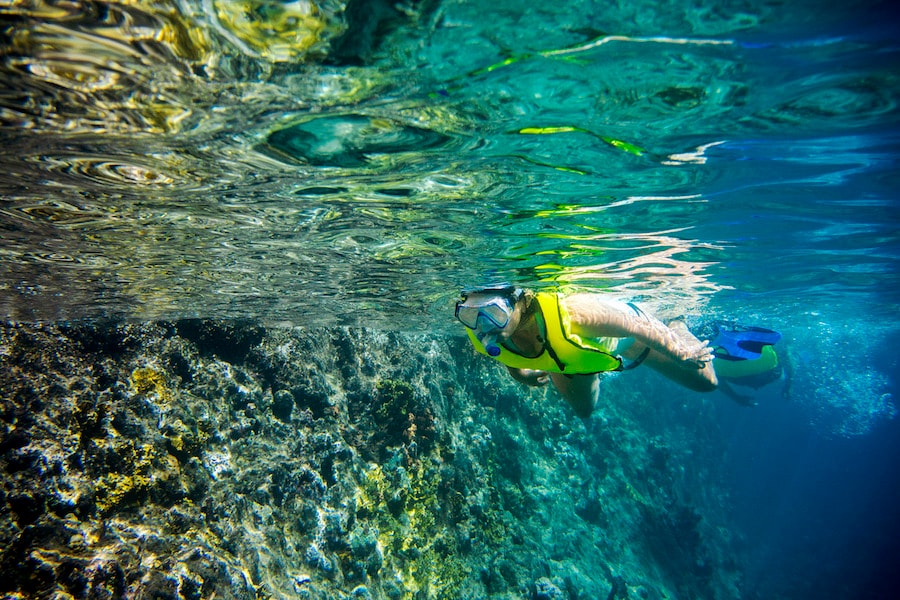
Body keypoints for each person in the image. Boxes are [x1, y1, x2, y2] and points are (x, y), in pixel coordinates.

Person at [454, 285, 718, 418]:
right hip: (573, 359)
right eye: (471, 315)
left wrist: (680, 350)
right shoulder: (487, 329)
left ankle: (675, 320)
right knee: (584, 411)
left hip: (627, 337)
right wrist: (518, 373)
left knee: (706, 382)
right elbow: (500, 349)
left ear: (521, 301)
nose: (483, 325)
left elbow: (638, 323)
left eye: (495, 313)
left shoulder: (576, 313)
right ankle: (593, 364)